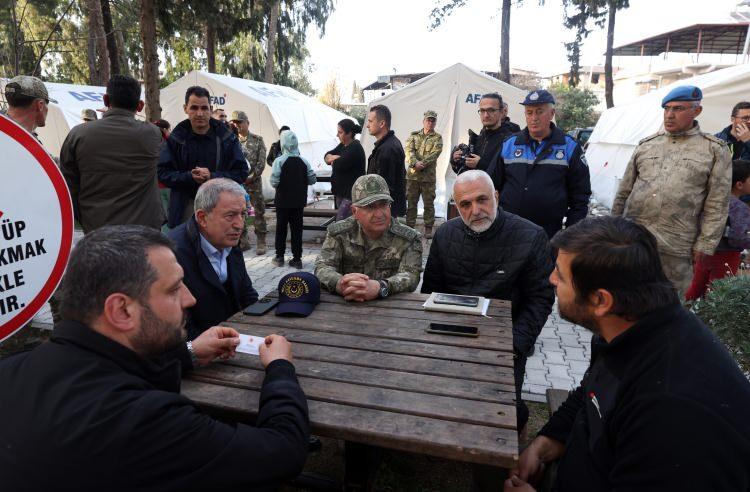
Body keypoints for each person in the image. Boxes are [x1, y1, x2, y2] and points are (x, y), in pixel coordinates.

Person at [0, 224, 309, 491]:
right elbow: (282, 453)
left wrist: (188, 353)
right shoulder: (145, 423)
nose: (190, 299)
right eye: (174, 289)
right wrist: (280, 369)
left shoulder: (13, 369)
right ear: (121, 310)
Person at [504, 216, 750, 492]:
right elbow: (592, 394)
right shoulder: (631, 326)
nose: (551, 279)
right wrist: (544, 443)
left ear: (600, 300)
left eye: (560, 274)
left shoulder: (670, 414)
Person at [421, 170, 554, 430]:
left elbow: (540, 298)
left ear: (496, 196)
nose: (475, 210)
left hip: (506, 340)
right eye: (465, 204)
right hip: (452, 333)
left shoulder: (531, 236)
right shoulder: (445, 234)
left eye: (482, 199)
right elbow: (431, 291)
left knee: (502, 415)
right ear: (456, 207)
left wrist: (515, 345)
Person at [611, 86, 732, 295]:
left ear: (697, 111)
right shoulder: (647, 145)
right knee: (627, 296)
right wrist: (611, 229)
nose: (669, 115)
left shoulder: (714, 150)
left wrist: (705, 244)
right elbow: (624, 191)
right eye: (666, 109)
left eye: (678, 109)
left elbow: (717, 204)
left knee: (669, 303)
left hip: (677, 245)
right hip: (634, 238)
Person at [60, 74, 165, 233]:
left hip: (98, 229)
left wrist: (86, 218)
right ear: (140, 105)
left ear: (106, 100)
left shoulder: (78, 135)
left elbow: (68, 186)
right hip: (145, 231)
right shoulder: (153, 133)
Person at [168, 178, 259, 340]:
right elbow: (177, 326)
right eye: (230, 216)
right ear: (202, 218)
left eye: (242, 214)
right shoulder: (172, 255)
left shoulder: (226, 239)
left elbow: (247, 295)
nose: (240, 225)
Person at [497, 89, 591, 239]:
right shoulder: (509, 145)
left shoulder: (569, 147)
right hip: (510, 230)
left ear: (552, 113)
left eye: (539, 112)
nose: (534, 118)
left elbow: (580, 196)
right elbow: (493, 186)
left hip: (549, 233)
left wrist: (570, 235)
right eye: (529, 112)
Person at [315, 174, 422, 301]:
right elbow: (322, 267)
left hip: (391, 308)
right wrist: (341, 284)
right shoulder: (339, 233)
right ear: (355, 212)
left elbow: (411, 276)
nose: (379, 214)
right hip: (346, 305)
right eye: (370, 207)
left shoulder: (407, 238)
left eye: (383, 205)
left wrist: (381, 287)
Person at [158, 86, 248, 229]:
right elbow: (163, 173)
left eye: (204, 108)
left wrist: (212, 177)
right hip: (185, 208)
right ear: (185, 108)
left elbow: (241, 172)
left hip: (220, 207)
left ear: (211, 109)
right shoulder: (176, 139)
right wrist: (188, 177)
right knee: (186, 249)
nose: (199, 113)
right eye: (194, 108)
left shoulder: (226, 138)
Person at [685, 160, 750, 300]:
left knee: (695, 288)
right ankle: (709, 321)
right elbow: (738, 237)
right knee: (718, 294)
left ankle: (681, 314)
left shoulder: (711, 200)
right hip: (727, 255)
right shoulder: (740, 208)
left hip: (704, 250)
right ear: (739, 184)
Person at [271, 130, 317, 269]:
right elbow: (312, 179)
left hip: (282, 202)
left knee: (281, 229)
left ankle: (279, 256)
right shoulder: (304, 161)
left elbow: (274, 182)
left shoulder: (279, 161)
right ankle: (297, 259)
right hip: (298, 202)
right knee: (297, 230)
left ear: (282, 143)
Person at [450, 93, 512, 190]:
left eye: (491, 110)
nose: (486, 115)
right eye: (482, 110)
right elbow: (466, 171)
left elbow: (510, 177)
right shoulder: (480, 137)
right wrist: (456, 159)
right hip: (475, 194)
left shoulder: (510, 141)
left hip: (496, 200)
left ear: (501, 112)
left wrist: (481, 164)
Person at [230, 110, 269, 255]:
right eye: (234, 122)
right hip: (238, 183)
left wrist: (252, 176)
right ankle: (243, 241)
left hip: (254, 183)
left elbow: (261, 162)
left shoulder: (257, 140)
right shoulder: (232, 140)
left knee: (258, 211)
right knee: (240, 212)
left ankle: (261, 241)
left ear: (247, 123)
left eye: (240, 122)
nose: (237, 125)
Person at [405, 110, 443, 238]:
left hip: (428, 177)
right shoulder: (414, 136)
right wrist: (415, 163)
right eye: (428, 120)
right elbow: (409, 151)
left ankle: (428, 228)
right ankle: (409, 227)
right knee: (411, 203)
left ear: (435, 122)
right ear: (424, 121)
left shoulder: (437, 138)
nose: (430, 122)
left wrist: (423, 164)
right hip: (413, 177)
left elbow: (435, 153)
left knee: (428, 204)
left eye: (433, 120)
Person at [366, 104, 407, 217]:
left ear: (382, 123)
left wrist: (376, 211)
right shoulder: (387, 145)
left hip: (385, 212)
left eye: (370, 121)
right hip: (385, 210)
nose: (367, 126)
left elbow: (384, 187)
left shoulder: (388, 148)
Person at [325, 119, 366, 220]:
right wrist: (334, 158)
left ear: (349, 133)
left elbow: (339, 164)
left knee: (343, 223)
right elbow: (326, 156)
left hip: (351, 195)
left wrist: (335, 159)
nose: (337, 135)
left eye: (340, 132)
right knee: (342, 223)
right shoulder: (343, 145)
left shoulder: (355, 148)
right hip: (342, 193)